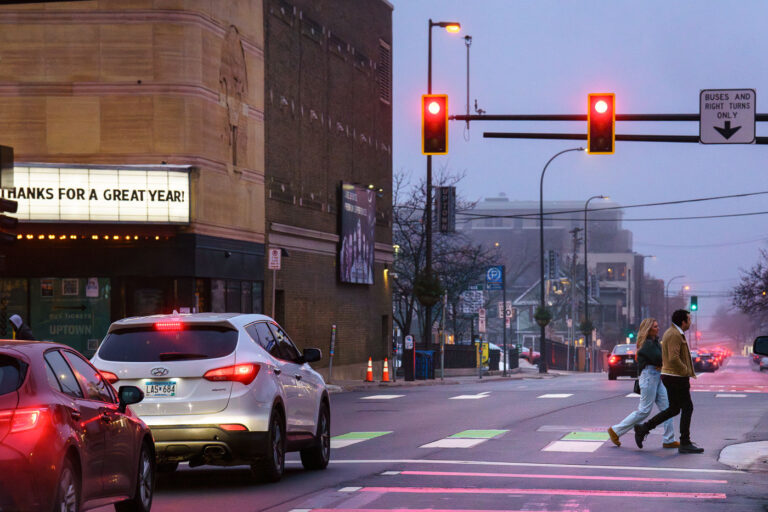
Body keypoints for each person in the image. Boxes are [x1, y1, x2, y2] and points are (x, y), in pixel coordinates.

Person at [634, 309, 703, 454]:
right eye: (689, 319)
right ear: (683, 322)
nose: (690, 322)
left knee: (674, 409)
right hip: (676, 377)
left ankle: (643, 428)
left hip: (674, 376)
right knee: (687, 407)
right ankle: (685, 441)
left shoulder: (675, 333)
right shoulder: (674, 335)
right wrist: (685, 371)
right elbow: (673, 358)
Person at [606, 317, 678, 449]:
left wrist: (661, 363)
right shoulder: (646, 343)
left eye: (657, 326)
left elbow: (661, 356)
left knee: (667, 409)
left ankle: (669, 439)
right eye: (655, 326)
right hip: (649, 377)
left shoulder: (654, 341)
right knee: (644, 411)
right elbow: (659, 357)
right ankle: (615, 431)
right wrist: (662, 362)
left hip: (656, 377)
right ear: (649, 329)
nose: (658, 328)